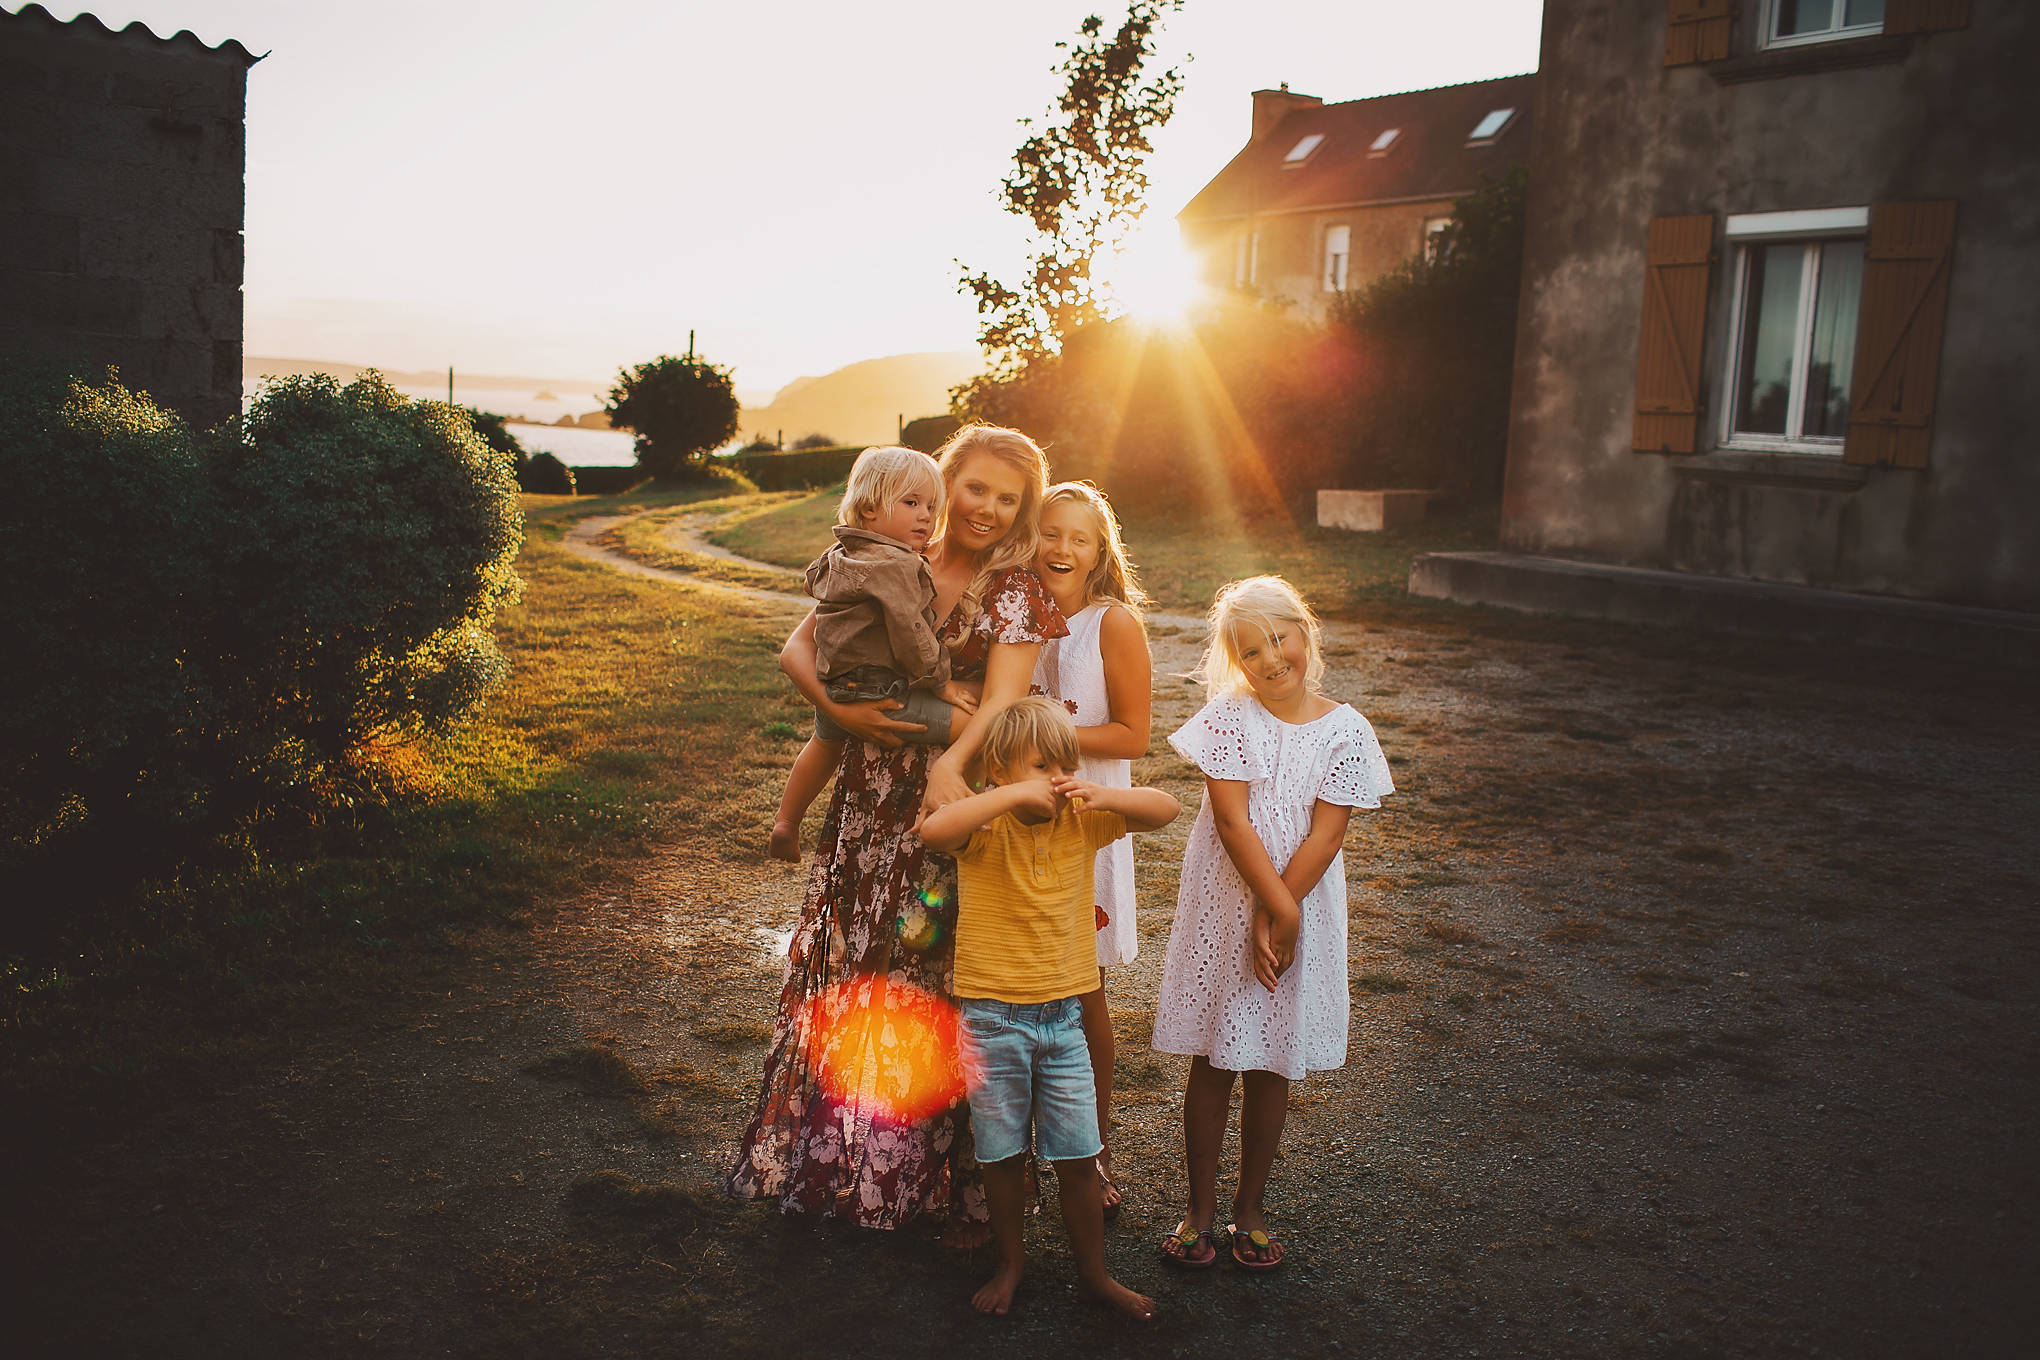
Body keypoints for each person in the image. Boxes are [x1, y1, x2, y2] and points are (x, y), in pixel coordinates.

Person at [726, 425, 1064, 1245]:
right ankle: (843, 1162)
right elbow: (798, 646)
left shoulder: (1012, 591)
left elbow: (1004, 707)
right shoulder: (887, 552)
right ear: (946, 482)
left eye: (1007, 498)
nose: (985, 507)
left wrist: (951, 769)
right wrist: (837, 711)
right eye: (975, 487)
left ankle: (942, 1184)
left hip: (950, 801)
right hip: (867, 798)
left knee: (933, 980)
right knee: (856, 967)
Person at [1151, 576, 1395, 1272]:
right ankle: (1198, 1208)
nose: (1270, 658)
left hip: (1302, 901)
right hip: (1227, 902)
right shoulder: (1231, 718)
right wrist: (1269, 907)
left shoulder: (1345, 729)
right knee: (1214, 1053)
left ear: (1306, 632)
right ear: (1236, 660)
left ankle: (1248, 1206)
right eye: (1251, 649)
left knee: (1270, 1059)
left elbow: (1324, 836)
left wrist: (1285, 909)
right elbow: (1231, 820)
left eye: (1279, 638)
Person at [920, 697, 1179, 1318]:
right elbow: (934, 830)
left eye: (1066, 763)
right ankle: (1012, 1263)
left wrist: (1104, 793)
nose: (1057, 777)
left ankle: (1095, 1275)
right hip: (992, 1019)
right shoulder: (984, 826)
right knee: (1002, 1155)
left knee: (1078, 1156)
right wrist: (1007, 799)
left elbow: (1166, 810)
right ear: (1001, 772)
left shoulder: (1082, 821)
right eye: (1043, 765)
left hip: (1065, 1019)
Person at [1028, 481, 1152, 1216]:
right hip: (1018, 821)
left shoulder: (1113, 624)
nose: (1062, 548)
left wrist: (1038, 736)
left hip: (1087, 821)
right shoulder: (1016, 615)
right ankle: (1018, 1151)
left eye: (1078, 537)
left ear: (1100, 551)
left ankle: (1094, 1152)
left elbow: (1132, 735)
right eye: (1049, 532)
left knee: (1082, 989)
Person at [768, 445, 982, 862]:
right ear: (868, 510)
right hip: (880, 691)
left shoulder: (844, 551)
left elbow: (814, 583)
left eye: (933, 506)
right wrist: (941, 680)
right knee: (980, 724)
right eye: (912, 503)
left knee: (822, 743)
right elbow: (910, 630)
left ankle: (786, 822)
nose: (927, 515)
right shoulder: (898, 565)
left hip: (832, 680)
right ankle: (948, 816)